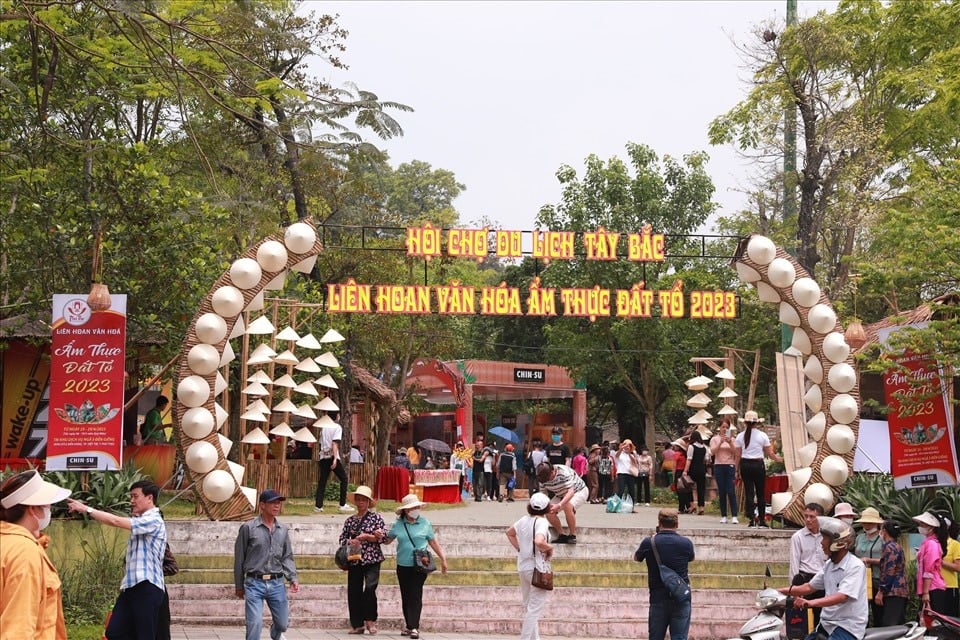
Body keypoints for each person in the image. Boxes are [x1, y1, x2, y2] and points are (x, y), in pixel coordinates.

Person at [67, 480, 167, 640]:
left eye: (135, 496)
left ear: (150, 498)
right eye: (131, 496)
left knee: (144, 635)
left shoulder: (153, 519)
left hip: (147, 586)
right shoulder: (142, 520)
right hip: (131, 586)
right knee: (114, 632)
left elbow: (116, 521)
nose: (131, 501)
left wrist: (86, 509)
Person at [0, 470, 71, 640]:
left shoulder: (8, 542)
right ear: (33, 509)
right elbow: (18, 629)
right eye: (47, 505)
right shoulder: (24, 551)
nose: (50, 510)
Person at [777, 516, 868, 640]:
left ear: (838, 543)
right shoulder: (829, 565)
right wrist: (779, 591)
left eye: (825, 538)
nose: (821, 542)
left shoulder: (855, 566)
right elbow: (809, 587)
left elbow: (842, 596)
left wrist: (810, 603)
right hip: (827, 624)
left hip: (847, 627)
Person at [233, 489, 300, 640]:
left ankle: (275, 633)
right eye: (272, 503)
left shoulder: (282, 529)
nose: (276, 506)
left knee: (283, 624)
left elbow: (287, 556)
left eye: (278, 503)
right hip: (254, 583)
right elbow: (239, 559)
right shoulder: (248, 528)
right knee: (254, 624)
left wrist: (292, 578)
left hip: (277, 583)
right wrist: (238, 585)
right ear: (262, 505)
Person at [382, 494, 449, 640]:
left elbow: (433, 542)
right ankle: (408, 624)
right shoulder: (398, 524)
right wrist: (378, 536)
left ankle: (414, 627)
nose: (415, 510)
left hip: (420, 565)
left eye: (417, 507)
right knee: (406, 595)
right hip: (403, 564)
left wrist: (443, 559)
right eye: (413, 507)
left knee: (415, 594)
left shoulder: (425, 523)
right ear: (406, 510)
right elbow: (388, 540)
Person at [633, 508, 696, 640]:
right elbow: (691, 558)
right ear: (677, 524)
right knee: (680, 637)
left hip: (658, 597)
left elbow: (636, 558)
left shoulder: (649, 542)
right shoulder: (686, 543)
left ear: (659, 523)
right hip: (681, 597)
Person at [505, 492, 554, 640]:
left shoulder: (523, 520)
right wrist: (549, 548)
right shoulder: (542, 522)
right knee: (534, 609)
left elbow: (509, 533)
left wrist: (520, 549)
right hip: (536, 567)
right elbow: (539, 541)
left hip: (523, 566)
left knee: (528, 607)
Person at [338, 486, 387, 634]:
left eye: (363, 500)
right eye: (358, 500)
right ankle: (357, 624)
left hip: (372, 558)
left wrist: (369, 537)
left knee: (370, 589)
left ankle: (371, 620)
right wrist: (350, 541)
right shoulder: (350, 521)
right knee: (354, 591)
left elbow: (383, 537)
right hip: (355, 558)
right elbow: (342, 539)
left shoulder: (376, 518)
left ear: (368, 502)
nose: (360, 502)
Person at [735, 410, 783, 527]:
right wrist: (778, 459)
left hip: (745, 465)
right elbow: (769, 453)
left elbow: (738, 455)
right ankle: (761, 519)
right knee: (760, 493)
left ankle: (751, 519)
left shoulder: (740, 436)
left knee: (749, 492)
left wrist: (736, 469)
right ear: (757, 423)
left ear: (745, 423)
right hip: (758, 465)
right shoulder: (762, 436)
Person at [788, 503, 827, 636]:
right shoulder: (797, 537)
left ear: (820, 518)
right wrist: (794, 589)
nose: (808, 520)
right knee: (801, 618)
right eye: (806, 516)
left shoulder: (827, 536)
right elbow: (794, 563)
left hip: (822, 578)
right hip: (805, 579)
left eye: (812, 517)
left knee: (822, 616)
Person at [535, 462, 588, 544]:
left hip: (578, 491)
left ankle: (572, 535)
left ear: (553, 472)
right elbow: (543, 495)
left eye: (548, 478)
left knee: (567, 505)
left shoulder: (563, 472)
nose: (547, 481)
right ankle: (561, 534)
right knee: (548, 511)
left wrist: (559, 505)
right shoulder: (542, 478)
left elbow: (571, 492)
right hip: (560, 494)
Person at [913, 510, 949, 622]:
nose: (920, 527)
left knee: (933, 623)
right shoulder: (928, 542)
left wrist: (925, 593)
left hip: (933, 588)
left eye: (923, 524)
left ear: (931, 527)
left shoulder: (932, 544)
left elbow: (929, 571)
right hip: (931, 588)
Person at [315, 418, 355, 514]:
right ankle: (342, 504)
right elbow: (334, 443)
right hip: (332, 456)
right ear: (337, 416)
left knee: (322, 481)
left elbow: (321, 443)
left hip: (323, 456)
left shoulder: (324, 428)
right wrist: (335, 459)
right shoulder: (337, 427)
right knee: (344, 479)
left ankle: (318, 506)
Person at [852, 506, 884, 624]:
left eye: (869, 522)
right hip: (861, 579)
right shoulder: (859, 537)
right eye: (864, 522)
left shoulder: (882, 539)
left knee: (878, 612)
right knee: (860, 611)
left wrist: (869, 560)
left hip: (876, 579)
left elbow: (887, 561)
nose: (866, 524)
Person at [874, 520, 908, 626]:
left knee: (890, 625)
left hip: (894, 591)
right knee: (898, 623)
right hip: (900, 590)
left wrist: (881, 591)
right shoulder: (896, 546)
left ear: (884, 531)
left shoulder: (890, 547)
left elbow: (889, 571)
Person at [709, 418, 739, 524]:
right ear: (719, 428)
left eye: (727, 427)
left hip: (730, 465)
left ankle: (734, 515)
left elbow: (736, 452)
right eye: (723, 427)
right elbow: (712, 452)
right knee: (722, 491)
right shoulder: (714, 439)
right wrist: (720, 442)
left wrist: (730, 442)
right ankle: (724, 515)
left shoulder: (733, 439)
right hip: (718, 466)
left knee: (731, 491)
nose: (725, 429)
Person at [681, 431, 708, 516]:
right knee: (701, 489)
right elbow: (706, 459)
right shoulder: (704, 447)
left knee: (688, 487)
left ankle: (692, 505)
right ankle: (701, 507)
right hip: (702, 469)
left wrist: (685, 471)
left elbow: (689, 459)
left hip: (693, 469)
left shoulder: (691, 447)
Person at [614, 439, 640, 510]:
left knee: (632, 491)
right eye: (626, 445)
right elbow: (616, 455)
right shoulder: (619, 454)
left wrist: (630, 453)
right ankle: (616, 507)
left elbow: (635, 462)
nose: (627, 447)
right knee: (621, 490)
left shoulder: (632, 455)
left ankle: (632, 508)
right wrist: (622, 447)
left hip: (630, 474)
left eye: (629, 446)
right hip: (621, 474)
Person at [943, 517, 960, 616]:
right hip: (936, 586)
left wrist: (940, 562)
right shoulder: (936, 544)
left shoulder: (954, 544)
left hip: (949, 586)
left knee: (949, 617)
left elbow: (958, 567)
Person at [670, 440, 692, 515]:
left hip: (678, 473)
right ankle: (687, 506)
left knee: (680, 492)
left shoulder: (676, 454)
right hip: (684, 472)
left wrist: (673, 476)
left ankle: (682, 508)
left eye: (675, 446)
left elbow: (674, 466)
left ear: (678, 447)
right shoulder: (684, 455)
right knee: (684, 491)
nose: (674, 447)